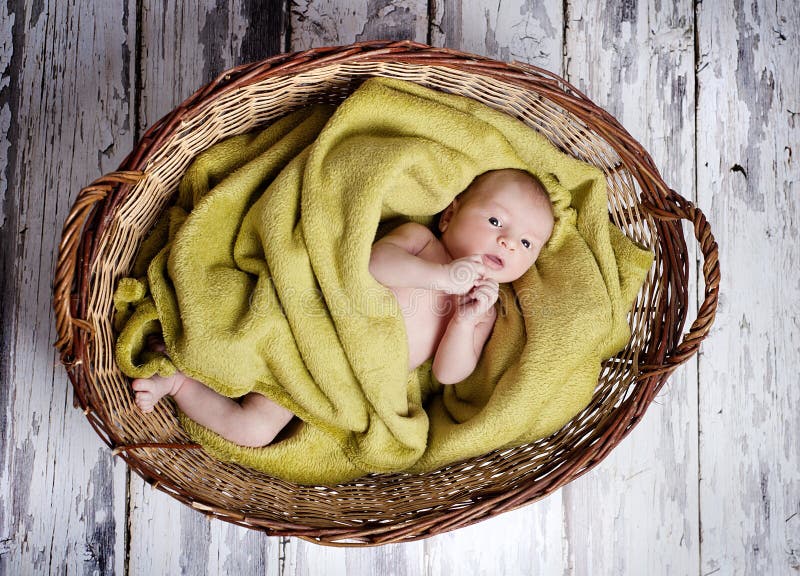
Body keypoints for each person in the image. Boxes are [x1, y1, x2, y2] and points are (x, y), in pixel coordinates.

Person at [131, 168, 555, 447]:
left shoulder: (480, 307)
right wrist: (441, 277)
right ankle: (189, 355)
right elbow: (373, 265)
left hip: (333, 381)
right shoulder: (422, 243)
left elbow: (448, 373)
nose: (506, 242)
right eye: (496, 222)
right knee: (229, 346)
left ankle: (182, 386)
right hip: (311, 332)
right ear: (448, 217)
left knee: (255, 430)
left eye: (525, 243)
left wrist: (463, 322)